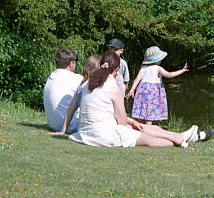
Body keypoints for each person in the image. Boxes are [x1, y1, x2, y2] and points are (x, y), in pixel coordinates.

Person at [53, 51, 200, 147]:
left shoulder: (86, 84)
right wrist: (130, 123)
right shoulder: (113, 88)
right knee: (146, 137)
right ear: (116, 70)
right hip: (103, 136)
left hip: (85, 133)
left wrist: (62, 130)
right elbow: (122, 123)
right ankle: (178, 139)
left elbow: (75, 107)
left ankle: (179, 137)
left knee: (149, 128)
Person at [126, 46, 187, 125]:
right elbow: (169, 75)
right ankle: (149, 130)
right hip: (152, 92)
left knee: (141, 111)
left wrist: (132, 90)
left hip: (142, 90)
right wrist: (182, 70)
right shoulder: (158, 68)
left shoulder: (143, 68)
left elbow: (137, 79)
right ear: (157, 59)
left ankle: (136, 128)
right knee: (149, 114)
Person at [51, 54, 101, 135]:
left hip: (85, 128)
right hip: (98, 127)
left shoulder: (81, 86)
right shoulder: (101, 86)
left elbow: (70, 109)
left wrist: (62, 131)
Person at [43, 48, 83, 133]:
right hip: (71, 126)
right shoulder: (75, 78)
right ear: (71, 63)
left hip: (54, 125)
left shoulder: (51, 76)